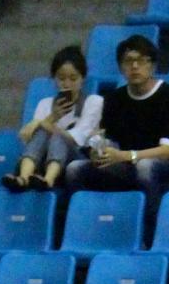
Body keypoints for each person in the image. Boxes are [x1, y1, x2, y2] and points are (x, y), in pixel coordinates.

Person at [69, 34, 169, 231]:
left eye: (141, 61)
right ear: (121, 67)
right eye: (128, 61)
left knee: (145, 167)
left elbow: (167, 152)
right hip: (125, 165)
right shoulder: (114, 99)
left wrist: (126, 156)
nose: (135, 66)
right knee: (74, 169)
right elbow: (102, 136)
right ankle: (82, 231)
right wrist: (97, 151)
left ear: (152, 65)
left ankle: (149, 235)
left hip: (167, 169)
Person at [6, 45, 100, 193]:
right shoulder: (45, 104)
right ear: (54, 78)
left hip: (73, 163)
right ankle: (24, 178)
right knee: (42, 132)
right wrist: (52, 117)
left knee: (58, 135)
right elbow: (27, 137)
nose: (67, 84)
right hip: (42, 163)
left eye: (73, 78)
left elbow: (79, 138)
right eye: (61, 79)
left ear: (83, 78)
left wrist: (43, 123)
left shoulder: (93, 102)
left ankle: (48, 180)